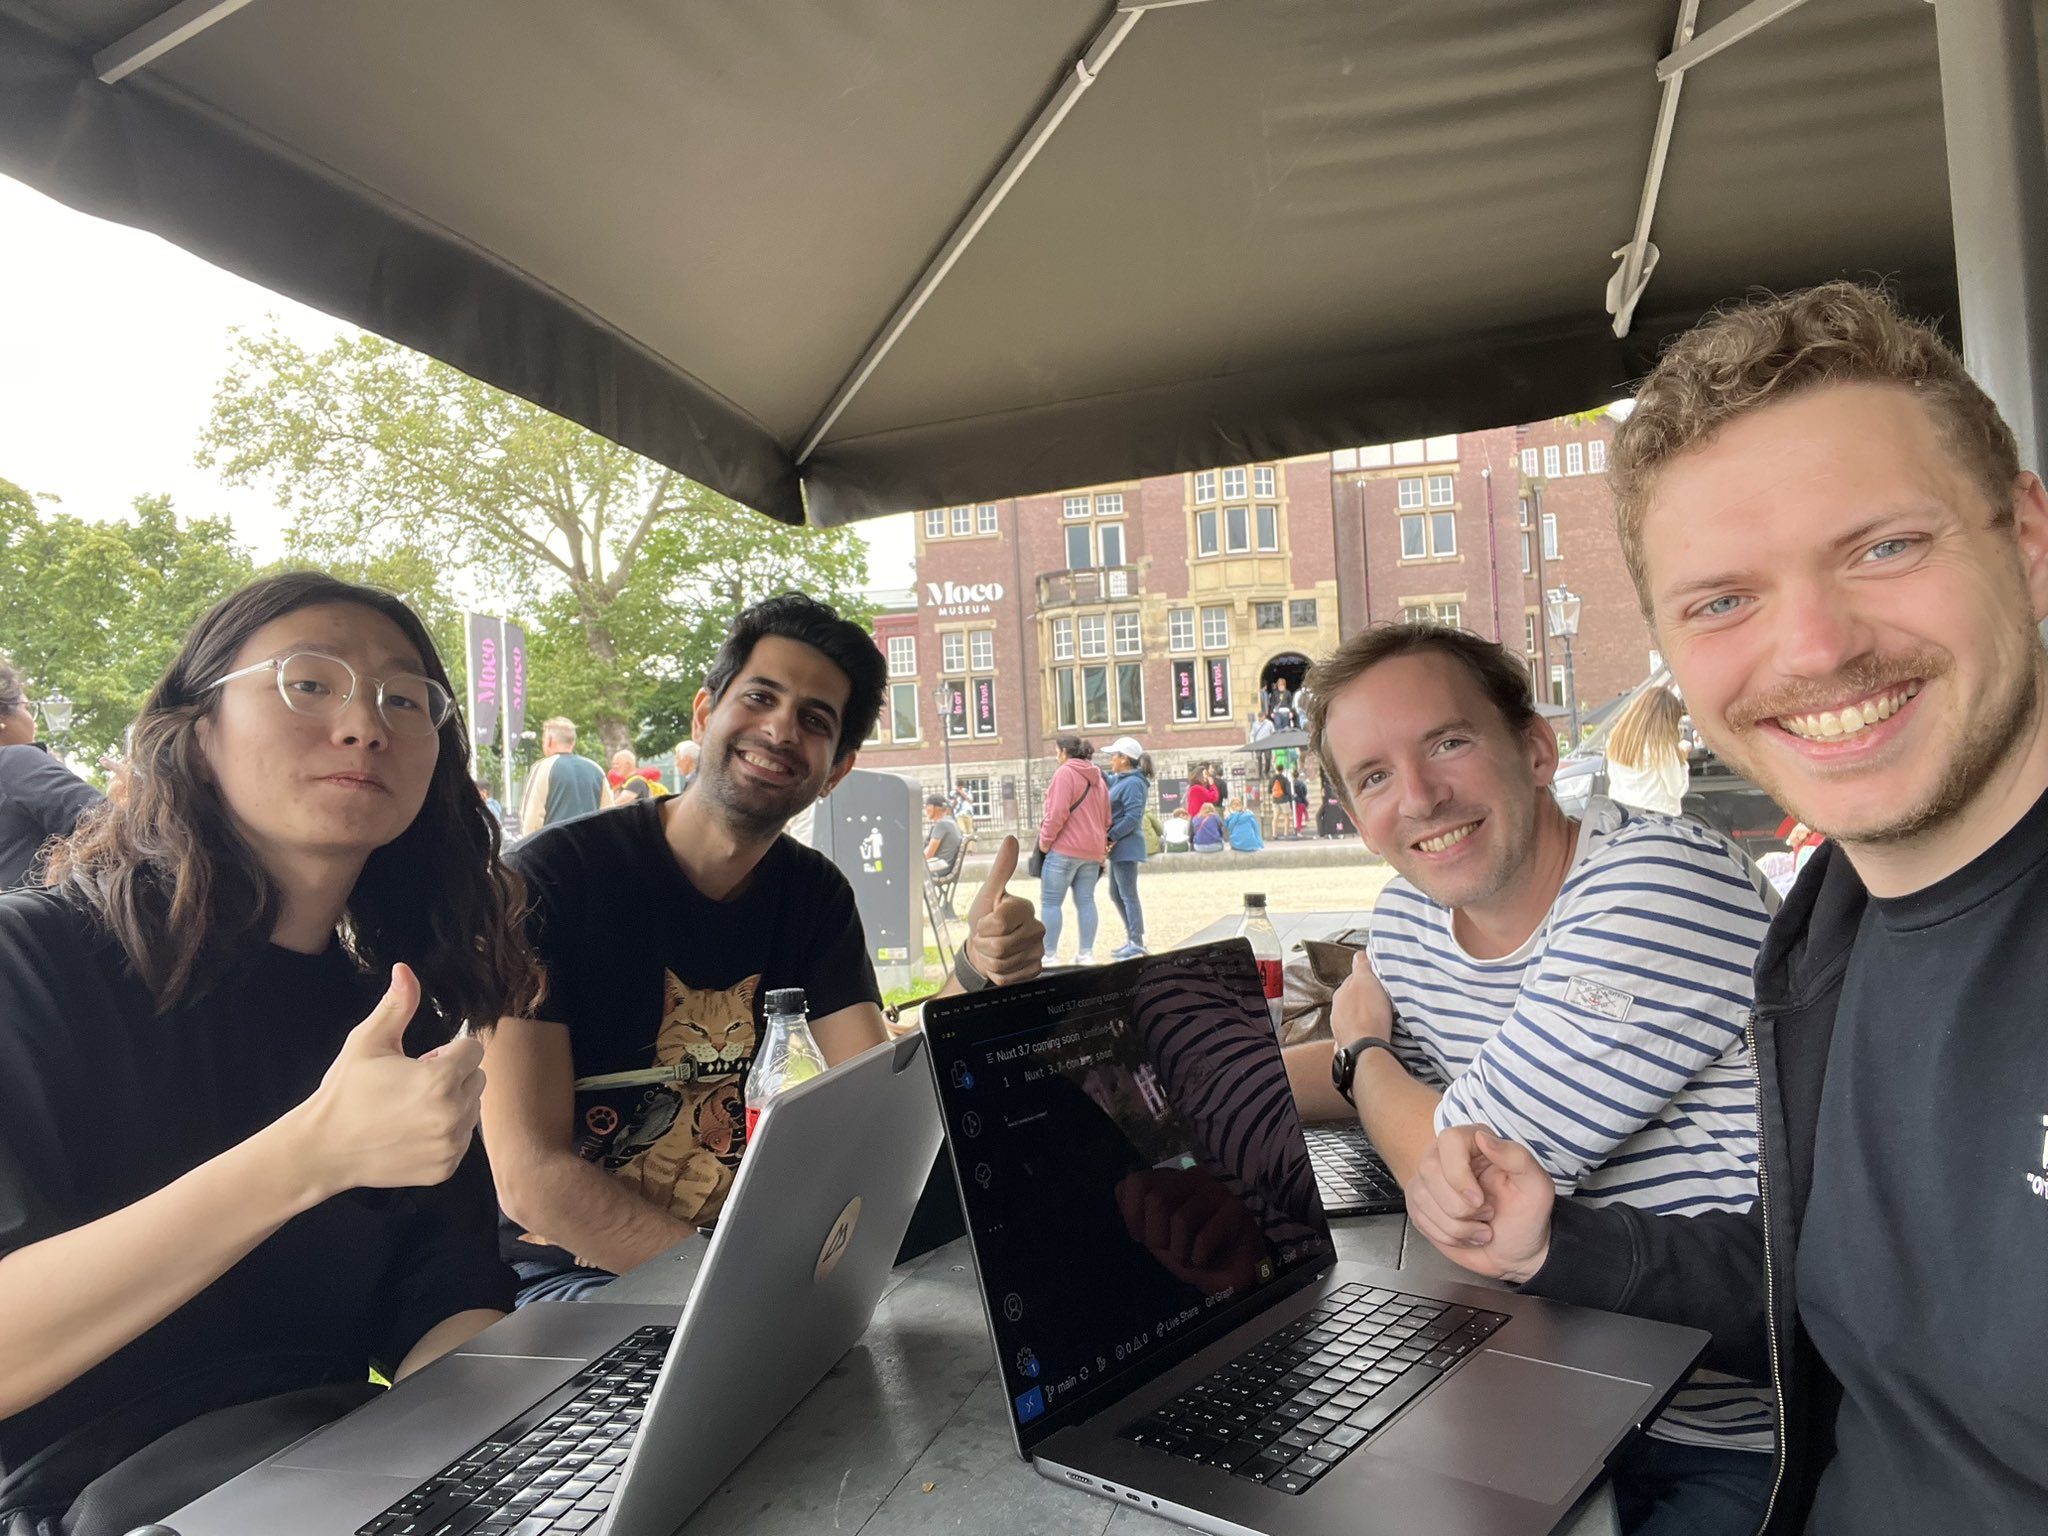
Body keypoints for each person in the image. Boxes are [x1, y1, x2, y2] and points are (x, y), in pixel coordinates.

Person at [1405, 284, 2048, 1535]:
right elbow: (1832, 1280)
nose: (1811, 648)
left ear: (2024, 542)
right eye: (1721, 600)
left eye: (1881, 547)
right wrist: (1558, 1247)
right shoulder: (1828, 927)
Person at [0, 572, 542, 1535]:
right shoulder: (27, 966)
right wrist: (309, 1155)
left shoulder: (394, 1021)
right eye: (310, 682)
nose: (365, 725)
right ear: (196, 732)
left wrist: (507, 1460)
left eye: (404, 699)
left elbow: (448, 1306)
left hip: (334, 1480)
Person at [1286, 620, 1777, 1535]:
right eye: (1376, 776)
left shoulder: (1658, 883)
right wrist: (1185, 1095)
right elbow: (1392, 1075)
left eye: (1448, 742)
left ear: (1538, 749)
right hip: (1548, 1389)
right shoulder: (1412, 918)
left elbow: (1468, 1191)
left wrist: (1361, 1054)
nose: (1423, 797)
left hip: (1735, 1423)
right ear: (1356, 819)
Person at [480, 594, 1044, 1305]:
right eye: (760, 697)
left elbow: (873, 1101)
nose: (780, 728)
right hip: (582, 1278)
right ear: (704, 714)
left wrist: (977, 971)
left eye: (814, 720)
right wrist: (736, 1296)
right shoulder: (550, 883)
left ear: (836, 770)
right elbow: (531, 1176)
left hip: (764, 1256)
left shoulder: (814, 896)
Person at [0, 659, 103, 890]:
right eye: (27, 708)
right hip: (49, 920)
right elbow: (113, 825)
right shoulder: (13, 762)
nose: (32, 721)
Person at [1037, 736, 1110, 965]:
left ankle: (1050, 955)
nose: (1056, 756)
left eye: (1056, 751)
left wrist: (1045, 841)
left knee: (1051, 902)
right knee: (1086, 901)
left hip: (1065, 848)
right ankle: (1086, 953)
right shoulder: (1098, 778)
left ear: (1065, 752)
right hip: (1092, 852)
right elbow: (1107, 818)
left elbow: (1057, 812)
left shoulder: (1064, 773)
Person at [1606, 683, 1691, 817]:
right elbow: (1677, 789)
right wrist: (1683, 761)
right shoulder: (1661, 747)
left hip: (1622, 816)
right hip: (1656, 818)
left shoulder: (1616, 739)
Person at [1103, 737, 1150, 960]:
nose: (1111, 759)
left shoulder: (1132, 783)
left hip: (1125, 845)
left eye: (1114, 755)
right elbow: (1109, 780)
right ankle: (1133, 938)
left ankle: (1136, 940)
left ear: (1124, 759)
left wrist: (1110, 835)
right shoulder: (1124, 779)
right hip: (1120, 846)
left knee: (1128, 894)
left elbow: (1133, 816)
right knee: (1116, 893)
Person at [517, 717, 605, 832]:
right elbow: (608, 814)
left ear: (549, 740)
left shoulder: (544, 767)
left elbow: (531, 815)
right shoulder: (596, 769)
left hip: (555, 845)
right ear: (573, 742)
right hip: (589, 845)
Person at [923, 792, 964, 882]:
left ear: (934, 808)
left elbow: (928, 855)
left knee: (909, 870)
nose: (925, 810)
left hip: (941, 867)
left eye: (927, 806)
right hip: (946, 866)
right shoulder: (950, 822)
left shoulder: (941, 824)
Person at [1291, 766, 1309, 835]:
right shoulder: (1301, 784)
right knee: (1299, 817)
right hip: (1300, 801)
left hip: (1293, 802)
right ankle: (1298, 830)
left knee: (1295, 816)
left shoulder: (1291, 783)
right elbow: (1304, 792)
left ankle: (1295, 828)